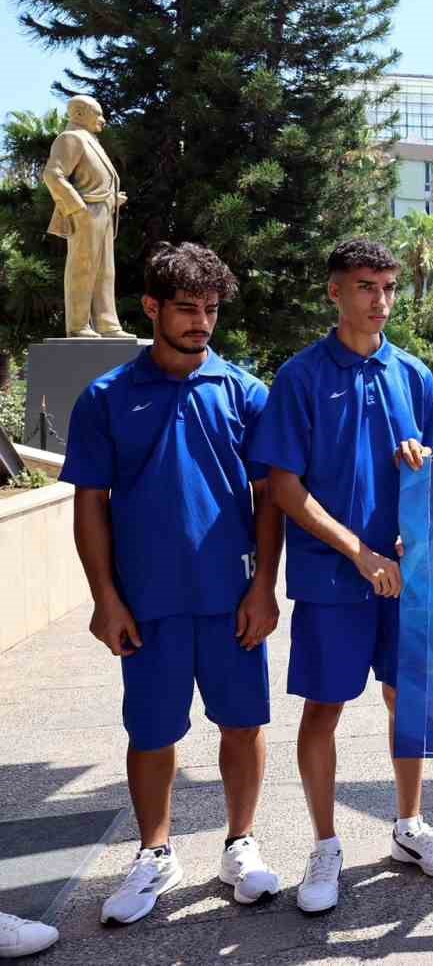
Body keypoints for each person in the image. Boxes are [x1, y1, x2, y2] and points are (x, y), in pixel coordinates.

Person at [61, 242, 284, 925]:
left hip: (231, 598)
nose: (200, 322)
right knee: (151, 730)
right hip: (148, 603)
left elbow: (270, 497)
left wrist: (263, 588)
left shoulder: (244, 392)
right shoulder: (105, 398)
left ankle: (239, 843)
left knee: (242, 723)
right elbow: (89, 504)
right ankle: (155, 851)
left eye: (210, 309)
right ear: (151, 307)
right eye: (186, 308)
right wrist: (105, 597)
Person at [247, 238, 433, 916]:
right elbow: (283, 487)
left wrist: (413, 496)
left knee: (407, 702)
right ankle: (326, 843)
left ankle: (408, 824)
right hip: (333, 580)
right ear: (335, 291)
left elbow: (421, 478)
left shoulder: (416, 375)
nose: (381, 300)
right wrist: (358, 553)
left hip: (402, 577)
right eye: (367, 286)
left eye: (390, 287)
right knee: (325, 710)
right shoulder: (300, 376)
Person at [42, 95, 130, 338]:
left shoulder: (90, 139)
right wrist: (77, 208)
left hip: (103, 211)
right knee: (83, 268)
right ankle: (79, 325)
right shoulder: (70, 138)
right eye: (97, 113)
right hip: (85, 212)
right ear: (79, 113)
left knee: (104, 270)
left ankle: (107, 324)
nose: (102, 119)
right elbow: (53, 174)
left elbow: (93, 180)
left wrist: (111, 200)